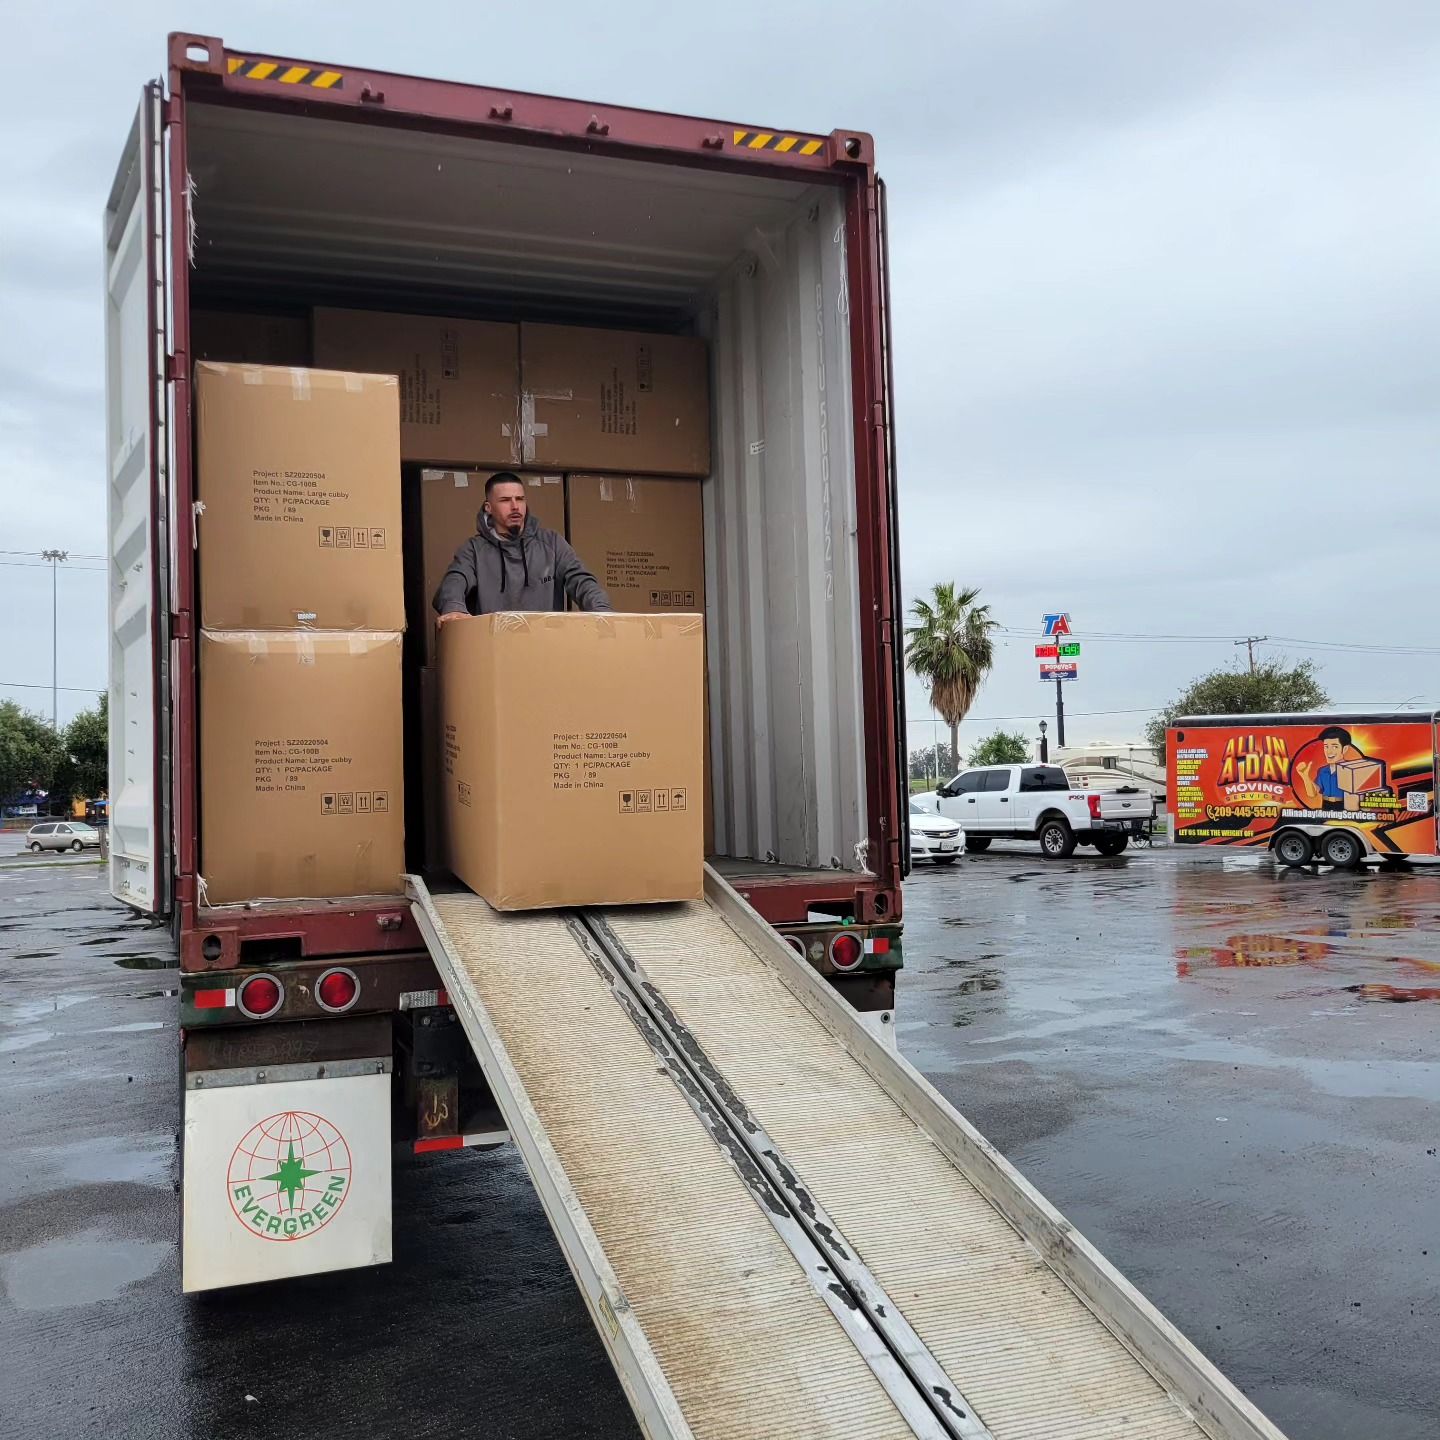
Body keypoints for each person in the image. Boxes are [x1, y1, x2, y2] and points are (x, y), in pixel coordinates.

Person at [432, 472, 611, 625]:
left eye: (520, 499)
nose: (515, 506)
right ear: (489, 508)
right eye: (505, 500)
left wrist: (603, 612)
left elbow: (581, 580)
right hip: (495, 650)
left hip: (544, 648)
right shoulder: (473, 550)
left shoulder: (552, 543)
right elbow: (455, 580)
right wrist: (453, 607)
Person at [1294, 725, 1369, 811]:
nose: (1329, 751)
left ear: (1344, 749)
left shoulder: (1352, 770)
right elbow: (1312, 794)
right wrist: (1305, 776)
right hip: (1326, 805)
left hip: (1344, 806)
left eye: (1334, 746)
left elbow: (1363, 796)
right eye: (1326, 746)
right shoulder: (1322, 771)